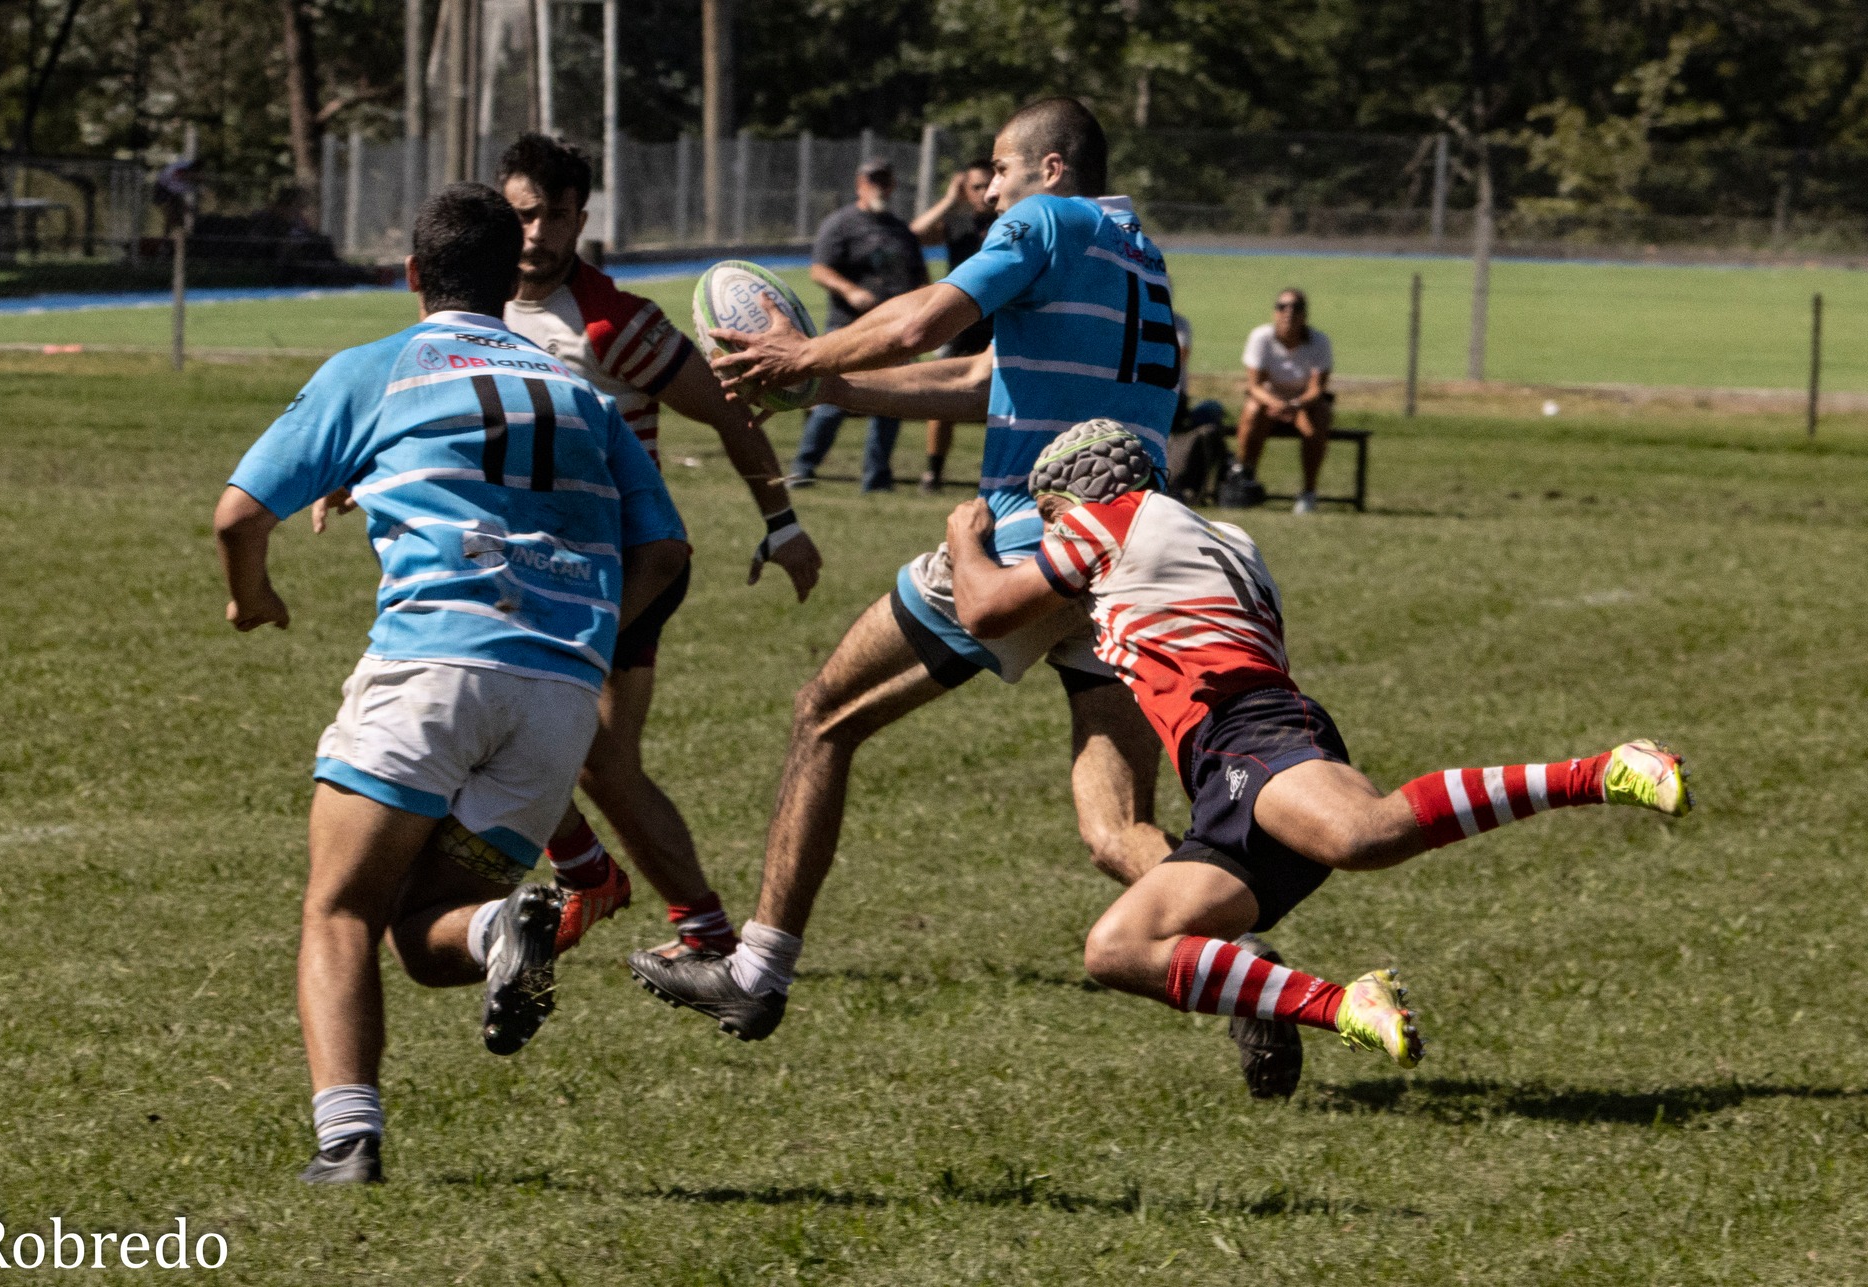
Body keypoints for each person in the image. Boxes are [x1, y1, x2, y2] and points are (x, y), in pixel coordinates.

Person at [629, 98, 1183, 1042]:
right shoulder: (1140, 259)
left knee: (823, 715)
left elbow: (925, 321)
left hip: (1024, 543)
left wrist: (806, 349)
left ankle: (755, 971)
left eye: (999, 171)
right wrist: (829, 383)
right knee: (1114, 829)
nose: (988, 189)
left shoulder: (1043, 220)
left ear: (1049, 169)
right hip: (1128, 550)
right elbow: (977, 379)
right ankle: (1249, 967)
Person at [944, 419, 1693, 1093]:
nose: (1048, 537)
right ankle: (1345, 1004)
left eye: (1049, 519)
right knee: (1118, 947)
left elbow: (983, 609)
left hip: (1247, 724)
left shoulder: (1107, 519)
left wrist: (964, 536)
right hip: (1221, 765)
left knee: (1362, 833)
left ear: (1079, 492)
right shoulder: (1226, 534)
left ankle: (1606, 770)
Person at [215, 183, 689, 1185]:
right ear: (508, 278)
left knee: (339, 910)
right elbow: (664, 548)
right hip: (554, 704)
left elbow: (236, 516)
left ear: (414, 275)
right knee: (427, 938)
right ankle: (496, 925)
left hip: (430, 673)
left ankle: (346, 1144)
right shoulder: (580, 392)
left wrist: (251, 596)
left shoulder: (380, 366)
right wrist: (588, 634)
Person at [314, 133, 821, 965]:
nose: (537, 233)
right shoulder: (476, 312)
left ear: (582, 218)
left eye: (554, 214)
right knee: (538, 728)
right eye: (522, 214)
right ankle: (612, 886)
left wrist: (784, 523)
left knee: (595, 758)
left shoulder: (613, 324)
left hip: (623, 563)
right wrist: (354, 475)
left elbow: (728, 413)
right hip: (518, 564)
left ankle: (693, 926)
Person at [789, 158, 930, 493]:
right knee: (833, 400)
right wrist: (851, 290)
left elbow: (921, 280)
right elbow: (819, 269)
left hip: (895, 332)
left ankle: (877, 478)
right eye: (872, 180)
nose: (878, 186)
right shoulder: (841, 224)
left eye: (884, 180)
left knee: (890, 402)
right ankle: (802, 469)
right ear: (859, 185)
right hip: (850, 329)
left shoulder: (901, 230)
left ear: (892, 186)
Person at [908, 159, 997, 493]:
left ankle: (996, 476)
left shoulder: (1012, 220)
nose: (984, 193)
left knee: (1003, 402)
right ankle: (933, 472)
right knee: (942, 397)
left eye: (989, 184)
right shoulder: (959, 225)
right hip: (962, 320)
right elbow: (914, 234)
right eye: (974, 187)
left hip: (997, 322)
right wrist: (949, 200)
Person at [1228, 288, 1333, 514]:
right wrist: (1276, 403)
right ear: (1274, 312)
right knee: (1253, 410)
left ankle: (1308, 492)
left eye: (1296, 308)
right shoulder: (1261, 337)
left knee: (1321, 417)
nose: (1289, 313)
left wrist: (1295, 405)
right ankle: (1244, 476)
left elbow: (1318, 388)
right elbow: (1254, 385)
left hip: (1303, 404)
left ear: (1305, 314)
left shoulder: (1319, 341)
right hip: (1268, 401)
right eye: (1282, 307)